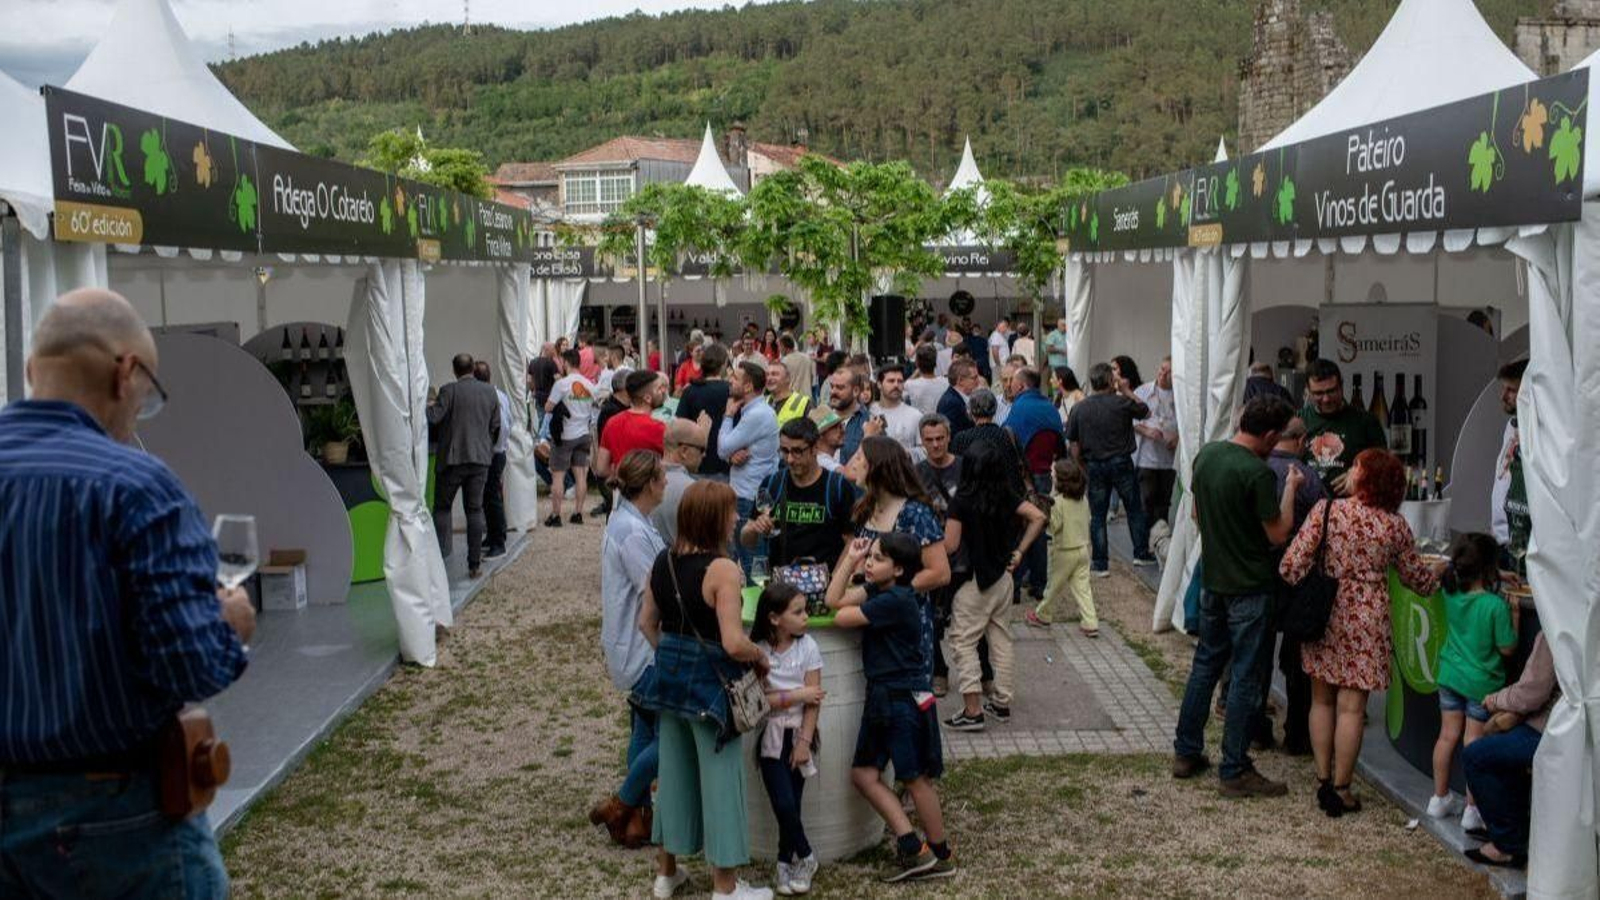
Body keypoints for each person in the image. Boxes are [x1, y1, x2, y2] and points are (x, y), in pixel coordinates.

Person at [0, 288, 254, 899]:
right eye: (149, 395)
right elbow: (189, 662)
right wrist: (230, 624)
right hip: (119, 819)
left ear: (34, 371)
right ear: (127, 372)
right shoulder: (137, 487)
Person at [1280, 448, 1441, 816]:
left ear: (1366, 477)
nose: (1351, 471)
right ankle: (1342, 788)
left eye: (1356, 466)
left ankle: (1323, 779)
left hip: (1325, 612)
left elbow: (1290, 566)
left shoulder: (1327, 511)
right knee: (1352, 708)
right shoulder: (1394, 525)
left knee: (1320, 700)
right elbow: (1416, 578)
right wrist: (1440, 578)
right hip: (1368, 620)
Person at [635, 482, 775, 900]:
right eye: (731, 513)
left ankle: (667, 874)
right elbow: (733, 641)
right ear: (715, 518)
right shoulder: (723, 570)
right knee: (721, 784)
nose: (736, 519)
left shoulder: (663, 561)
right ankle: (726, 888)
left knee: (673, 778)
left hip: (669, 683)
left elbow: (647, 623)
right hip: (712, 690)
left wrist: (673, 657)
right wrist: (760, 657)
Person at [1172, 396, 1301, 798]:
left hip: (1213, 580)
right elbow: (1278, 534)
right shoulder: (1258, 473)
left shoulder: (1208, 456)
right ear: (1269, 435)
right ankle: (1235, 766)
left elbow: (1196, 516)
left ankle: (1186, 751)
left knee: (1205, 666)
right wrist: (1292, 488)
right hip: (1250, 588)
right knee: (1246, 677)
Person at [825, 534, 954, 883]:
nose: (870, 561)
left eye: (878, 558)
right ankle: (914, 847)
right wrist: (852, 558)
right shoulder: (881, 591)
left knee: (915, 779)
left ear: (897, 569)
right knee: (865, 775)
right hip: (885, 696)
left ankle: (939, 854)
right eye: (871, 556)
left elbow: (839, 618)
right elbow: (832, 599)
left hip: (900, 697)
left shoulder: (896, 599)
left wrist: (853, 569)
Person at [941, 441, 1047, 732]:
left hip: (972, 581)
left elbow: (950, 545)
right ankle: (1001, 702)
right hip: (1002, 578)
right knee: (1002, 639)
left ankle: (972, 710)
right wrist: (1020, 551)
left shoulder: (961, 500)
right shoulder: (1006, 495)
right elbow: (1038, 516)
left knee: (963, 642)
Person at [593, 450, 669, 849]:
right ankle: (623, 804)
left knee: (644, 725)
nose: (668, 482)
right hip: (642, 646)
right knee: (671, 734)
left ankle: (637, 820)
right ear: (651, 484)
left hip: (632, 644)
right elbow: (654, 590)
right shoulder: (633, 531)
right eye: (663, 477)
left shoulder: (631, 521)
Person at [1428, 532, 1517, 833]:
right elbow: (1507, 649)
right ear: (1489, 568)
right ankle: (1472, 809)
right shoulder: (1495, 606)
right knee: (1473, 744)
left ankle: (1439, 799)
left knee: (1446, 736)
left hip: (1450, 676)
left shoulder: (1450, 591)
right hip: (1482, 685)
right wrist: (1514, 613)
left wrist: (1489, 571)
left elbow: (1446, 571)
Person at [846, 437, 952, 686]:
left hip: (905, 624)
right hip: (873, 620)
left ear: (877, 467)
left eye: (860, 458)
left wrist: (890, 592)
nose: (853, 465)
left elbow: (940, 573)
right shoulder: (867, 507)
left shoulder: (914, 513)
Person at [1255, 417, 1326, 755]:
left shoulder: (1257, 468)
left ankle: (1255, 728)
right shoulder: (1309, 477)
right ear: (1301, 441)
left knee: (1257, 655)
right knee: (1298, 659)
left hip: (1261, 573)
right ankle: (1298, 734)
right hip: (1302, 579)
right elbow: (1323, 527)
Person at [749, 582, 824, 895]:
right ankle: (806, 857)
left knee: (792, 802)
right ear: (775, 619)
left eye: (805, 609)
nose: (806, 616)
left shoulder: (808, 647)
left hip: (799, 736)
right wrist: (797, 693)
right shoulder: (759, 651)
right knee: (782, 802)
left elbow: (814, 698)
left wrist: (804, 742)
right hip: (770, 736)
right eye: (798, 611)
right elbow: (758, 699)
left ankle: (784, 863)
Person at [1462, 631, 1556, 869]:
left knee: (1477, 756)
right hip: (1569, 727)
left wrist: (1496, 701)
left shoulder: (1555, 626)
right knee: (1502, 753)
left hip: (1550, 729)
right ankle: (1511, 831)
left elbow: (1533, 691)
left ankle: (1507, 844)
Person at [1066, 362, 1157, 575]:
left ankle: (1100, 563)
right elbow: (1145, 411)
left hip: (1094, 464)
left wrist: (1082, 467)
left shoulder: (1079, 408)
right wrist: (1126, 390)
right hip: (1121, 461)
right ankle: (1141, 553)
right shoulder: (1122, 403)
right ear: (1110, 381)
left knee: (1097, 515)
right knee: (1134, 508)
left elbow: (1074, 445)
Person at [742, 417, 857, 572]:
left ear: (815, 448)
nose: (789, 459)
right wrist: (755, 528)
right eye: (784, 451)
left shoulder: (837, 487)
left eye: (797, 451)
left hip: (822, 584)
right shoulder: (771, 484)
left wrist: (835, 583)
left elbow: (850, 542)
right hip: (781, 586)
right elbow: (747, 540)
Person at [430, 352, 502, 575]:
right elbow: (496, 426)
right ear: (472, 368)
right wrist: (485, 445)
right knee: (474, 509)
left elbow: (434, 418)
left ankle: (441, 559)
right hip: (480, 459)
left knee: (442, 508)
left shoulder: (448, 390)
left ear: (454, 370)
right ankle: (474, 564)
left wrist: (426, 406)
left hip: (453, 459)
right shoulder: (490, 392)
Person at [1004, 367, 1064, 603]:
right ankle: (1039, 583)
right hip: (1044, 475)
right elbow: (1061, 447)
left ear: (1021, 386)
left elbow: (1007, 442)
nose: (1009, 386)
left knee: (1018, 528)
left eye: (1012, 383)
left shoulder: (1019, 409)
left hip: (1022, 478)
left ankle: (1015, 586)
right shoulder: (1051, 408)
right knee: (1039, 528)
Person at [720, 360, 781, 572]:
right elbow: (730, 452)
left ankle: (758, 603)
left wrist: (728, 416)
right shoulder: (755, 411)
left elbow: (723, 447)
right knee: (754, 562)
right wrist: (730, 456)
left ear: (747, 386)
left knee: (753, 565)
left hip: (748, 497)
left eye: (735, 378)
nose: (730, 380)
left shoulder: (756, 414)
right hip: (753, 494)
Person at [1026, 458, 1095, 636]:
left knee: (1053, 587)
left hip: (1064, 551)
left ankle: (1042, 614)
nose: (1051, 476)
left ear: (1059, 480)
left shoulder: (1058, 502)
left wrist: (1045, 509)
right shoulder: (1082, 500)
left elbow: (1054, 527)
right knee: (1083, 588)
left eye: (1053, 474)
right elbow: (1088, 520)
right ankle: (1090, 621)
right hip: (1083, 549)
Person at [1299, 359, 1387, 495]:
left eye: (1331, 391)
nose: (1326, 399)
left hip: (1352, 505)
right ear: (1308, 391)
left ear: (1341, 386)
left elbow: (1385, 466)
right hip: (1309, 507)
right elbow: (1284, 462)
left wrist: (1359, 474)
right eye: (1318, 393)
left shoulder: (1366, 421)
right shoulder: (1299, 419)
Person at [545, 347, 595, 528]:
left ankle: (556, 515)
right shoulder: (590, 385)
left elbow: (548, 407)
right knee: (580, 475)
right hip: (583, 434)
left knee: (558, 476)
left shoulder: (562, 384)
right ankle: (578, 513)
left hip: (565, 436)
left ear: (565, 363)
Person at [473, 361, 513, 558]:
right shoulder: (501, 395)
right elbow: (509, 423)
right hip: (499, 451)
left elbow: (500, 426)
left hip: (493, 453)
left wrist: (492, 447)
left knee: (491, 498)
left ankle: (498, 541)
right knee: (491, 498)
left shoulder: (489, 397)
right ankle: (495, 535)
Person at [1490, 359, 1529, 557]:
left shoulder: (1539, 434)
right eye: (1503, 388)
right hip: (1501, 540)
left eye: (1511, 390)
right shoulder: (1511, 426)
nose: (1503, 396)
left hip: (1522, 543)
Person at [677, 343, 733, 483]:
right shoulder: (731, 391)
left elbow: (680, 426)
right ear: (723, 365)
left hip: (696, 462)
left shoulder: (690, 391)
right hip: (726, 463)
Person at [1133, 357, 1178, 526]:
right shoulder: (1143, 391)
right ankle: (1146, 542)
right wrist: (1147, 431)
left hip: (1169, 460)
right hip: (1147, 459)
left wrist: (1178, 438)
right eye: (1162, 368)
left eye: (1169, 371)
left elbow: (1189, 425)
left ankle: (1161, 538)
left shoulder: (1180, 396)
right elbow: (1130, 421)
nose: (1163, 374)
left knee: (1164, 502)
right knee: (1147, 501)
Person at [652, 418, 708, 548]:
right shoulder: (693, 490)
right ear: (684, 451)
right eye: (701, 449)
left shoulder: (641, 480)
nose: (704, 455)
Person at [590, 371, 632, 519]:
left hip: (618, 469)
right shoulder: (612, 411)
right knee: (616, 512)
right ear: (624, 388)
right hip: (612, 471)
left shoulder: (620, 408)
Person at [871, 366, 923, 455]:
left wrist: (906, 454)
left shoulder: (915, 415)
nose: (896, 385)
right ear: (879, 384)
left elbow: (924, 451)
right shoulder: (870, 412)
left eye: (900, 381)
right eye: (891, 381)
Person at [825, 368, 871, 466]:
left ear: (855, 391)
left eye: (840, 388)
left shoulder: (870, 421)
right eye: (832, 387)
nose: (833, 392)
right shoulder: (821, 418)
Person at [937, 358, 980, 435]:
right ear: (960, 381)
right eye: (974, 378)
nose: (978, 382)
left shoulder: (958, 398)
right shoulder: (951, 404)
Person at [904, 344, 949, 416]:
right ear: (935, 362)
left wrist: (916, 371)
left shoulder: (910, 385)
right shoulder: (947, 383)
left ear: (917, 363)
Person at [766, 359, 812, 425]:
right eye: (767, 375)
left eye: (774, 374)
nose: (769, 378)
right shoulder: (764, 402)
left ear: (787, 378)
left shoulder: (803, 403)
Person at [527, 342, 560, 428]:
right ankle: (544, 439)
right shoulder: (551, 363)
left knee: (541, 418)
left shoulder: (532, 362)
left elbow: (529, 380)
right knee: (549, 421)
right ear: (547, 350)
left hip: (538, 395)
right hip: (550, 396)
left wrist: (533, 390)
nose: (553, 352)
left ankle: (541, 439)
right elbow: (558, 380)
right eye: (552, 350)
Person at [778, 333, 814, 403]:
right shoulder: (807, 357)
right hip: (808, 396)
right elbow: (812, 377)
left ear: (784, 346)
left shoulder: (784, 361)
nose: (779, 349)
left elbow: (782, 382)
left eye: (780, 346)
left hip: (793, 398)